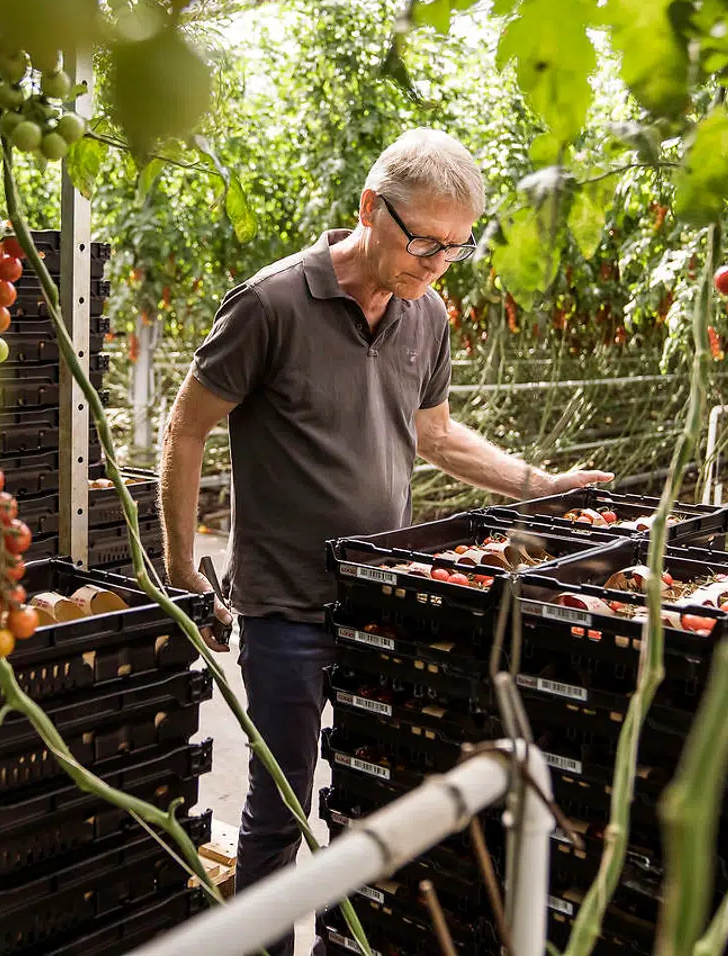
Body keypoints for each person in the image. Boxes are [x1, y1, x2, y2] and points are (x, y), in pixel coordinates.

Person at [160, 127, 612, 955]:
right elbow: (186, 427)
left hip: (382, 604)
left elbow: (435, 435)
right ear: (371, 208)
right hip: (286, 608)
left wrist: (539, 484)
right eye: (424, 242)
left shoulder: (425, 312)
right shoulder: (271, 304)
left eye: (455, 248)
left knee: (378, 799)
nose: (437, 265)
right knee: (280, 809)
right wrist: (182, 563)